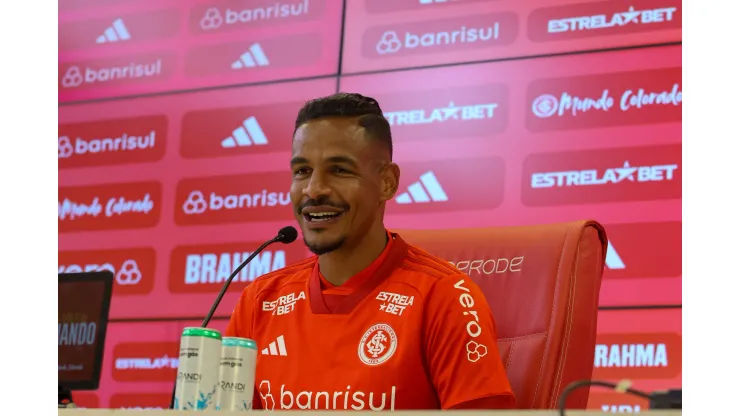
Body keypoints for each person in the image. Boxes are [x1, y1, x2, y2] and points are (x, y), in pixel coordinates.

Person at [225, 93, 515, 411]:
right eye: (302, 171)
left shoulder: (444, 297)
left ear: (387, 183)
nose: (313, 189)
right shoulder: (259, 301)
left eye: (339, 170)